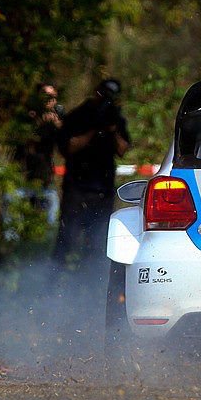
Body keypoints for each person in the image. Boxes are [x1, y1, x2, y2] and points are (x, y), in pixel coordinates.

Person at [53, 79, 131, 267]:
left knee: (97, 240)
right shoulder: (79, 116)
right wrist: (93, 129)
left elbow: (122, 149)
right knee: (68, 238)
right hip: (77, 188)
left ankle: (90, 281)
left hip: (102, 189)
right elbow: (68, 147)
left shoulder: (115, 118)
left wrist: (111, 130)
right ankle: (57, 279)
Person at [3, 82, 63, 240]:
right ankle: (12, 246)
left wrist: (57, 123)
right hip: (22, 179)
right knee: (12, 208)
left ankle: (46, 245)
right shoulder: (27, 118)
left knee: (51, 210)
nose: (49, 101)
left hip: (44, 181)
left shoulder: (56, 120)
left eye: (52, 97)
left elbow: (65, 144)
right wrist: (37, 122)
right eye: (45, 96)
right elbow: (21, 143)